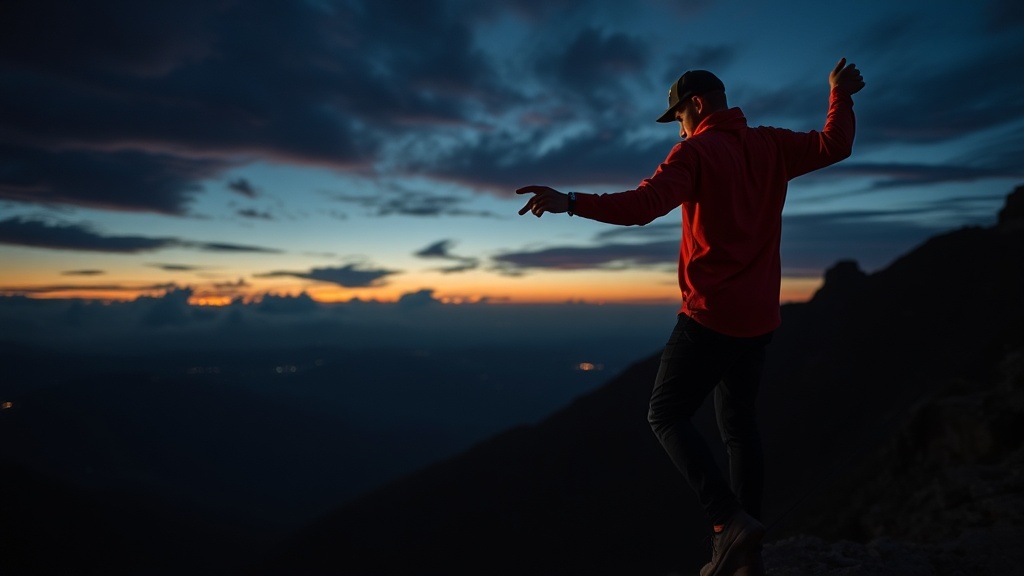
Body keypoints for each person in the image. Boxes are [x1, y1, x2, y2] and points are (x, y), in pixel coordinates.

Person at [516, 58, 865, 576]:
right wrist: (840, 95)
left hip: (711, 315)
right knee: (740, 431)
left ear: (696, 105)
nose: (677, 126)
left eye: (677, 115)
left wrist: (569, 201)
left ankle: (727, 523)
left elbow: (642, 205)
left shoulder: (695, 152)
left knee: (664, 413)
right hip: (760, 318)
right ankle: (749, 557)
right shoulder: (770, 144)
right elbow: (835, 145)